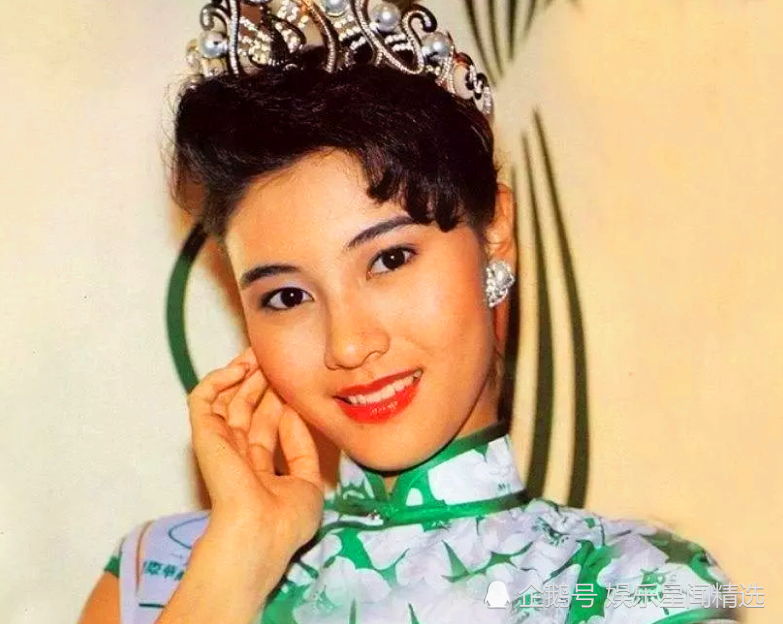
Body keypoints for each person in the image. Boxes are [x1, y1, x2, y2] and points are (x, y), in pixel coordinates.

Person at [78, 2, 739, 623]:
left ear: (494, 234)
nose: (348, 344)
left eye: (389, 260)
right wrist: (236, 564)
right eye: (287, 296)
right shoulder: (161, 573)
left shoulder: (632, 587)